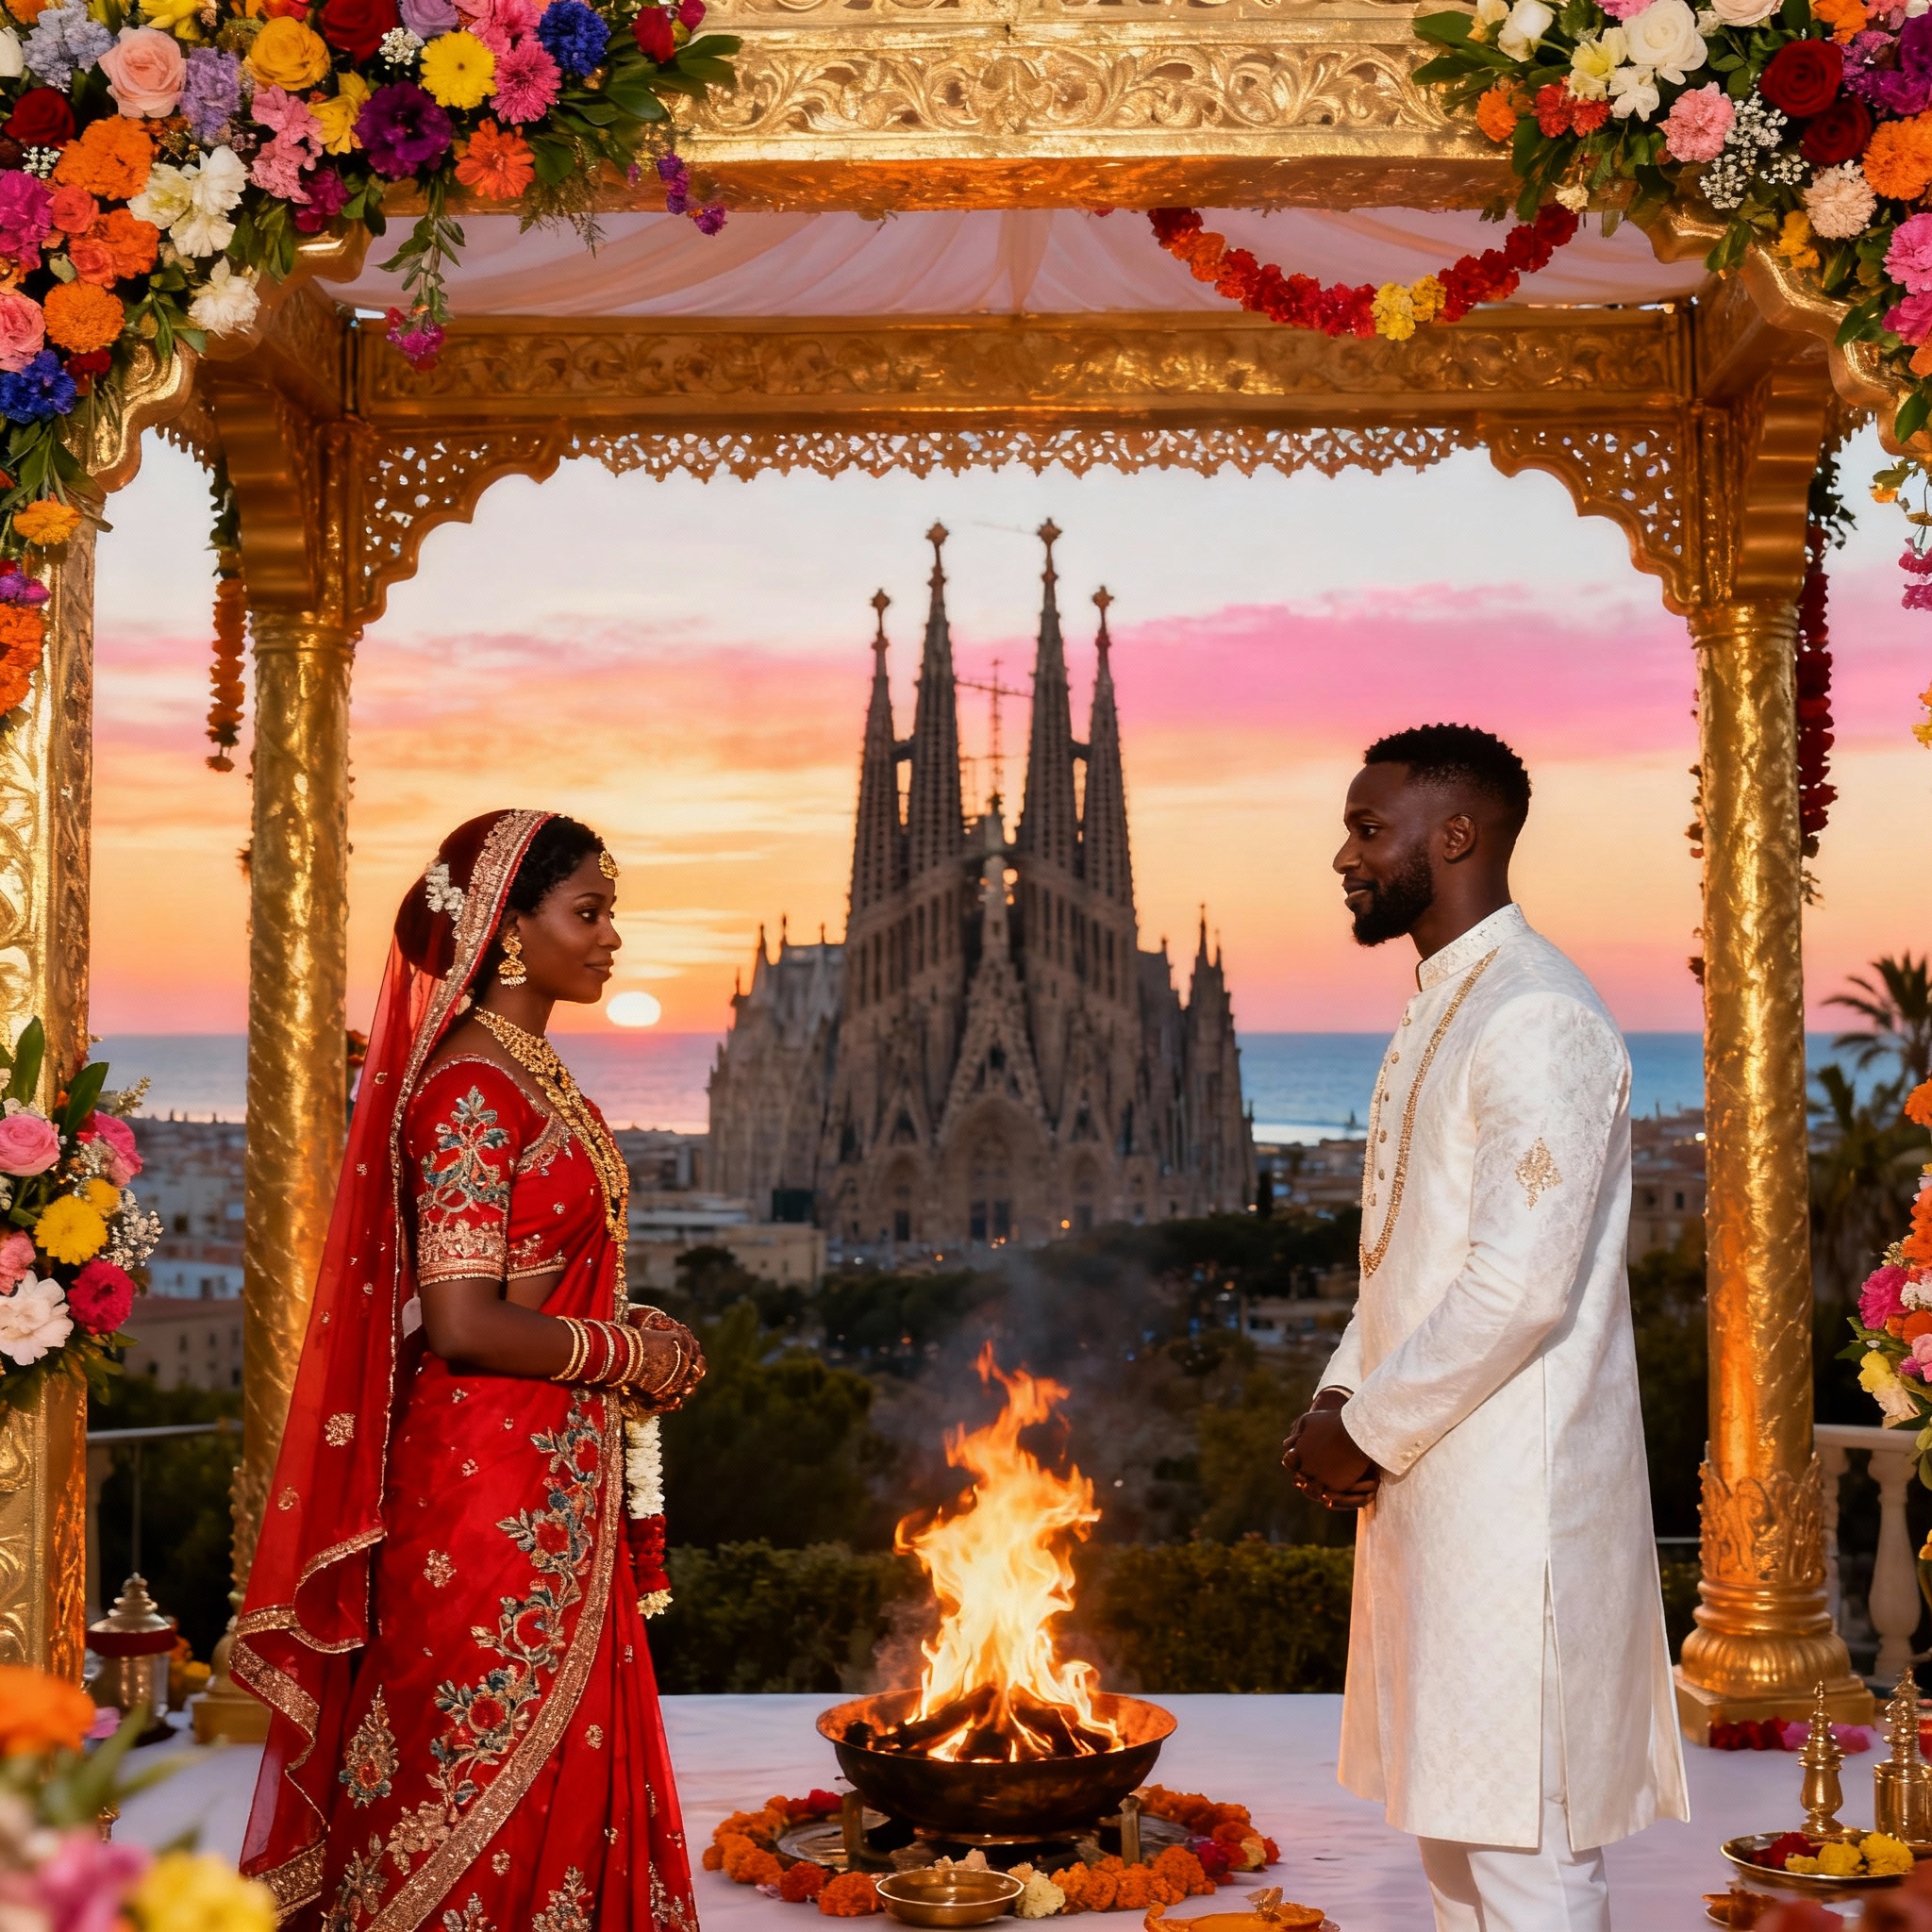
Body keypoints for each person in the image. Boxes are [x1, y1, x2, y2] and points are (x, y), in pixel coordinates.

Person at [235, 809, 707, 1932]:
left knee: (552, 1771)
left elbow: (530, 1281)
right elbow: (459, 1320)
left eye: (609, 914)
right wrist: (622, 1349)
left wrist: (616, 1324)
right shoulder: (467, 1090)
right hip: (486, 1505)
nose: (610, 940)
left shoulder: (529, 1075)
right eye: (586, 913)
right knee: (466, 1787)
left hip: (552, 1484)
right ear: (506, 930)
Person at [1281, 725, 1688, 1932]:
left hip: (1518, 1515)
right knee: (1459, 1851)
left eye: (1368, 827)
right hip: (1436, 1502)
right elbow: (1408, 1256)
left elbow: (1519, 1286)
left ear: (1453, 834)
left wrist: (1366, 1429)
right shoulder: (1447, 1004)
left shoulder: (1533, 1013)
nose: (1343, 854)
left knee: (1528, 1857)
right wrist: (1333, 1398)